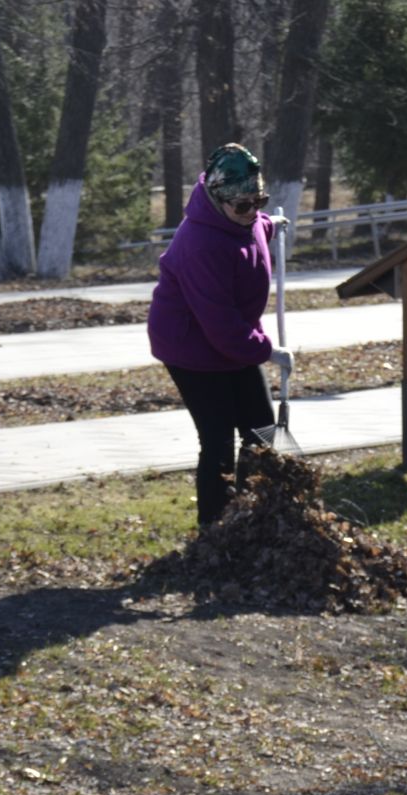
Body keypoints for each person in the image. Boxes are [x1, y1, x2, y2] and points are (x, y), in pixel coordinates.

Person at [147, 142, 293, 527]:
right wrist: (267, 351)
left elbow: (252, 225)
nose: (252, 212)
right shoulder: (200, 244)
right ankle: (214, 532)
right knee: (218, 440)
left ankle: (254, 517)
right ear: (216, 199)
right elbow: (220, 323)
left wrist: (269, 224)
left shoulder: (243, 218)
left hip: (232, 338)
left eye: (258, 200)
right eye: (242, 206)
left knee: (261, 430)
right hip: (190, 346)